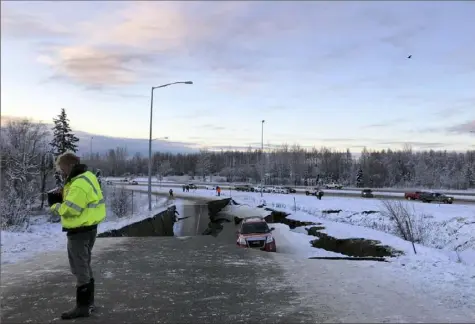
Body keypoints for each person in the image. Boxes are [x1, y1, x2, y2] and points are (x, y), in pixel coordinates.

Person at [50, 152, 106, 320]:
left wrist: (56, 206)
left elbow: (72, 209)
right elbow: (82, 200)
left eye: (63, 168)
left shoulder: (79, 183)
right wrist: (65, 194)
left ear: (71, 166)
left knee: (79, 267)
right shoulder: (86, 176)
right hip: (89, 228)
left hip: (80, 231)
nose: (62, 172)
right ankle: (89, 303)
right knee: (85, 265)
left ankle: (82, 307)